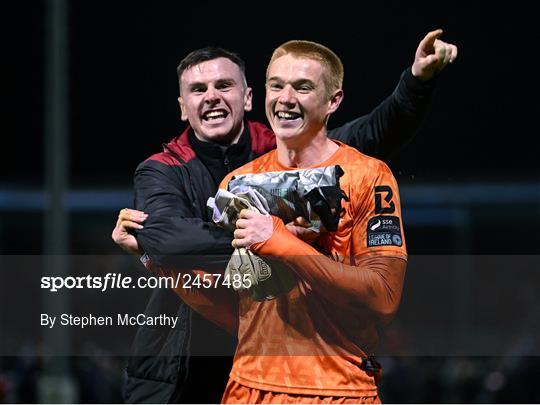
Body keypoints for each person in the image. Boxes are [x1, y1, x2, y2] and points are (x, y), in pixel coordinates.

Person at [113, 30, 457, 403]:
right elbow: (226, 299)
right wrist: (158, 257)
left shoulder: (355, 170)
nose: (211, 96)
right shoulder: (175, 171)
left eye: (224, 85)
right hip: (197, 373)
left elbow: (375, 130)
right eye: (198, 89)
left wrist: (417, 82)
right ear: (182, 106)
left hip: (335, 387)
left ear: (247, 98)